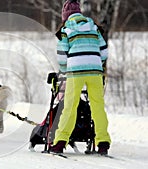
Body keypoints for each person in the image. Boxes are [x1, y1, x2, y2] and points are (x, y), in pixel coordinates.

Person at [50, 0, 111, 155]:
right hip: (95, 71)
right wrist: (96, 63)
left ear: (65, 16)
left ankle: (59, 143)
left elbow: (62, 56)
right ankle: (103, 143)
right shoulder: (93, 26)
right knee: (98, 107)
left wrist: (64, 71)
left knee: (70, 106)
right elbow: (104, 52)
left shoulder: (67, 28)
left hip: (75, 72)